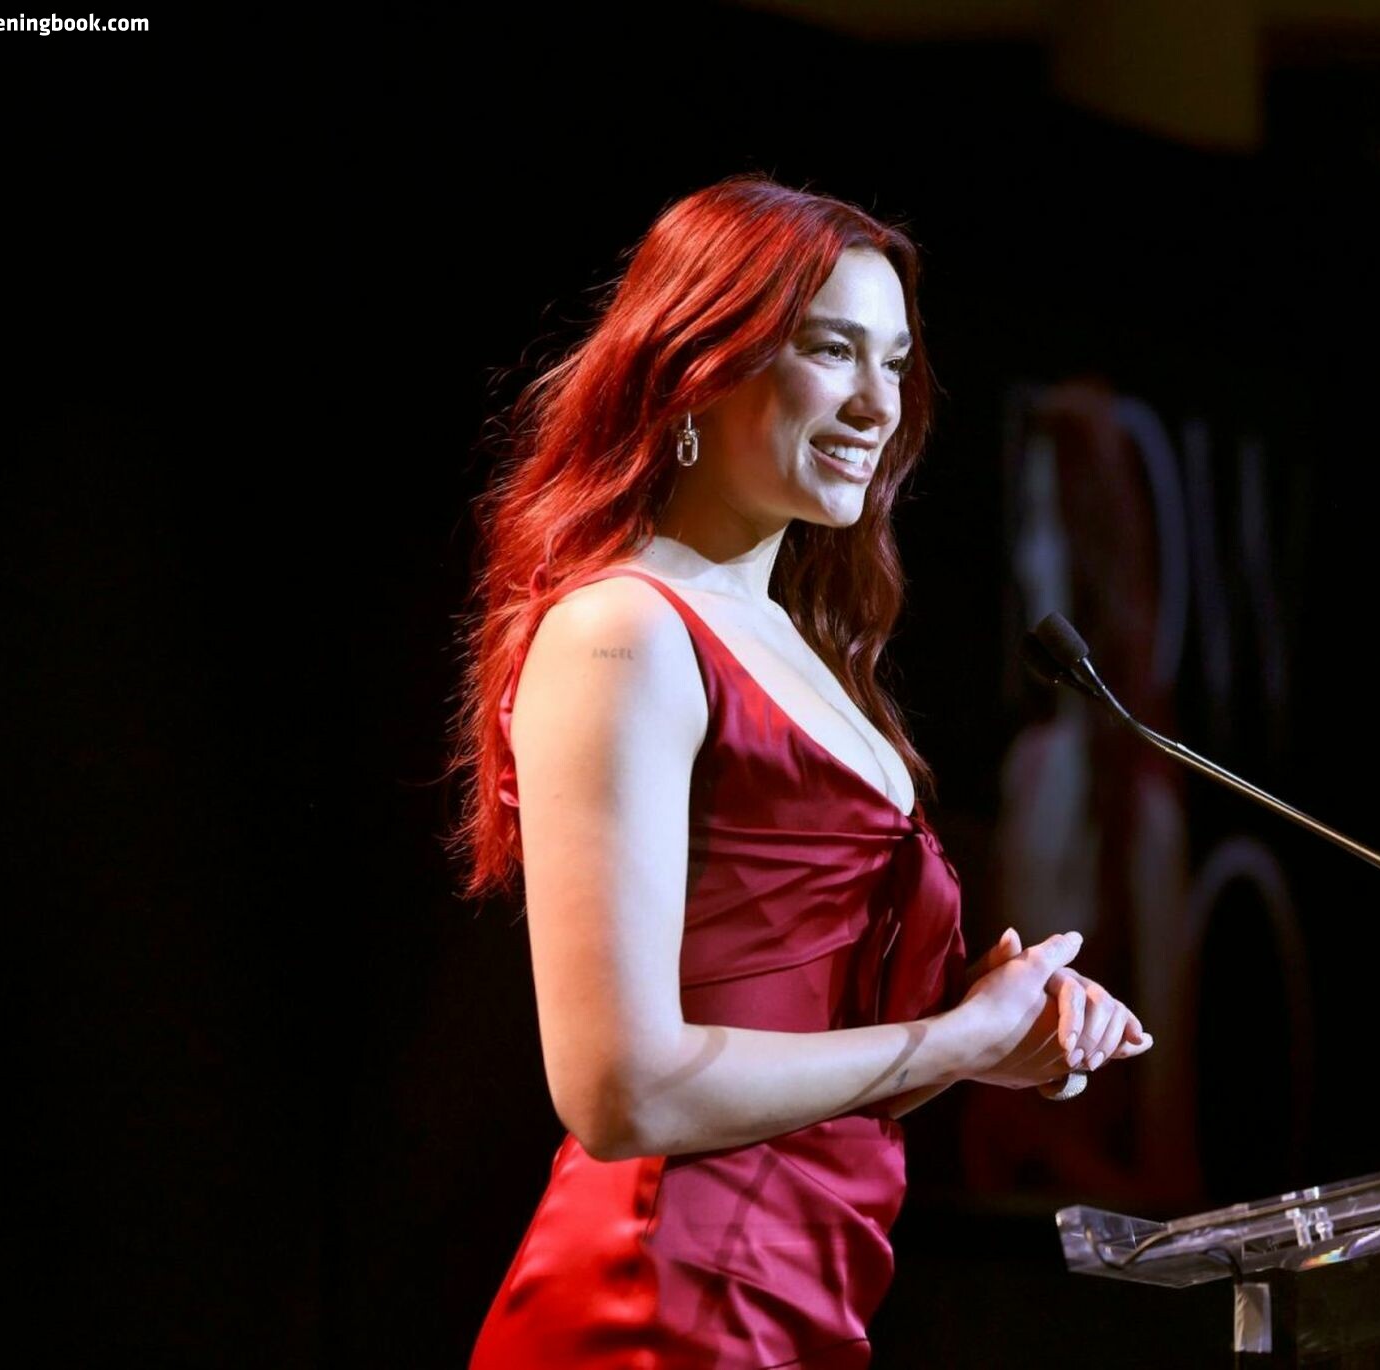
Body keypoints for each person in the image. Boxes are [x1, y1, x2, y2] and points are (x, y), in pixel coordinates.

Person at [446, 174, 1154, 1368]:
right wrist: (954, 1040)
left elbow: (809, 1058)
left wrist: (1005, 1026)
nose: (879, 404)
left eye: (897, 363)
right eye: (833, 351)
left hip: (796, 1300)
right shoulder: (625, 629)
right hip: (657, 1303)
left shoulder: (805, 651)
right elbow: (621, 1091)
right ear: (695, 366)